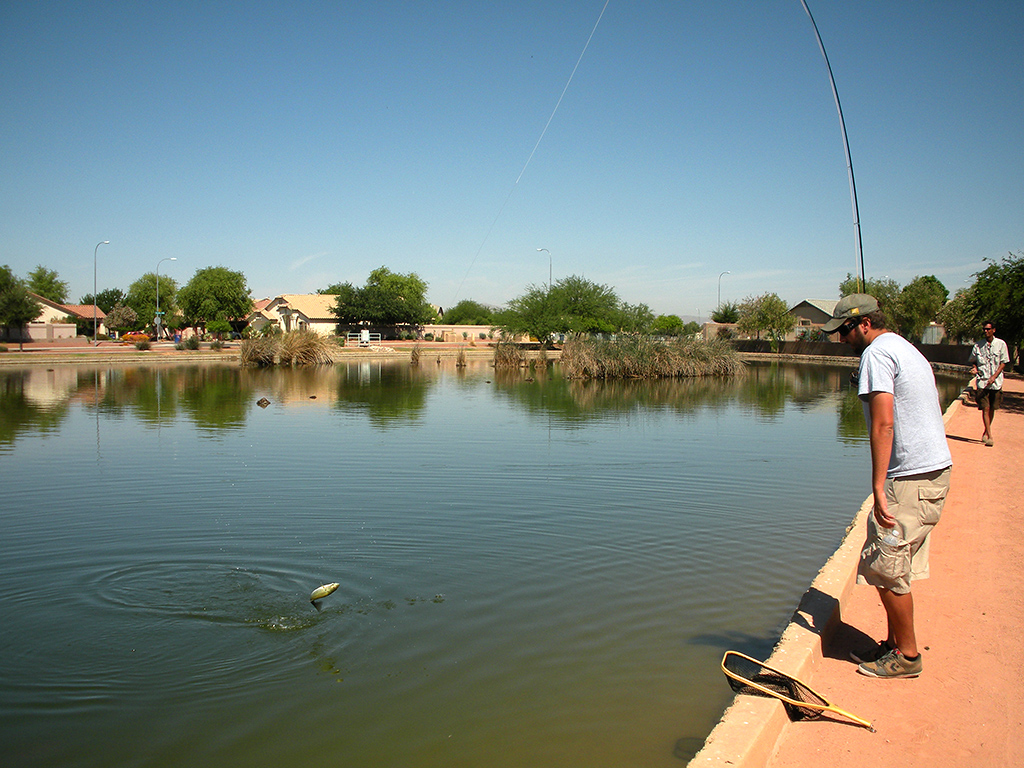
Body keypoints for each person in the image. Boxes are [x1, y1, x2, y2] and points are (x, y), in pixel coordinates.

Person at [822, 294, 952, 678]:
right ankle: (895, 644)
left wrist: (878, 486)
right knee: (895, 565)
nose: (841, 339)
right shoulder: (901, 346)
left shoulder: (876, 355)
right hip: (931, 472)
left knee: (887, 566)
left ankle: (907, 657)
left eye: (844, 331)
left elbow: (884, 424)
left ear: (863, 324)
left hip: (909, 477)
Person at [968, 321, 1009, 447]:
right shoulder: (978, 345)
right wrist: (975, 368)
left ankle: (986, 431)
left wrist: (994, 376)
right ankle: (990, 435)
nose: (986, 331)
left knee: (992, 408)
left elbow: (1003, 362)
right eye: (984, 329)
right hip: (982, 381)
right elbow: (973, 360)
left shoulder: (1001, 344)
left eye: (988, 329)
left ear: (993, 330)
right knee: (985, 408)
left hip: (996, 383)